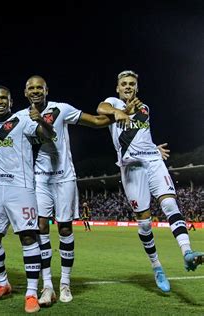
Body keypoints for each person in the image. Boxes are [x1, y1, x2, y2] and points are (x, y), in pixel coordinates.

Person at [97, 70, 204, 293]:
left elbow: (141, 136)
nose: (128, 87)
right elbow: (101, 109)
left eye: (132, 84)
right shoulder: (113, 103)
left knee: (169, 204)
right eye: (124, 84)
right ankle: (157, 267)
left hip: (152, 161)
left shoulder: (145, 108)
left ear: (137, 87)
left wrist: (153, 148)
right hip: (131, 167)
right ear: (118, 88)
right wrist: (121, 111)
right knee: (144, 222)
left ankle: (187, 252)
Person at [24, 75, 116, 307]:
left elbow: (95, 121)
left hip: (64, 177)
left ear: (47, 90)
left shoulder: (61, 109)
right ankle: (47, 286)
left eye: (39, 88)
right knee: (41, 227)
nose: (35, 91)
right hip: (40, 177)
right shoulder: (22, 117)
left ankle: (65, 283)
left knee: (64, 227)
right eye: (31, 88)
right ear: (25, 92)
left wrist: (121, 115)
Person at [0, 85, 55, 313]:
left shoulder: (22, 119)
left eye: (3, 98)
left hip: (21, 188)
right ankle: (3, 282)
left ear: (11, 101)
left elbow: (47, 135)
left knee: (27, 237)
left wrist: (42, 121)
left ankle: (31, 293)